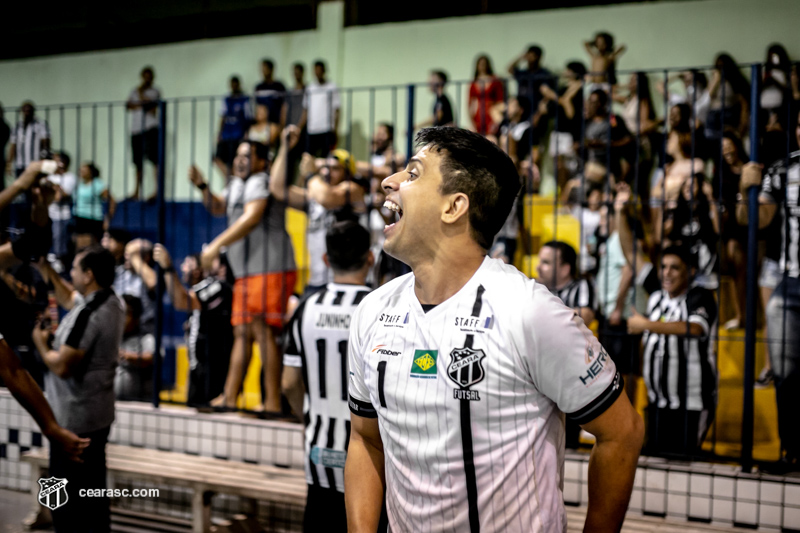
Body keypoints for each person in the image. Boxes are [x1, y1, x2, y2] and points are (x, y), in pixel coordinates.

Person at [345, 127, 643, 532]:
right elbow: (365, 439)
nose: (389, 181)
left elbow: (622, 433)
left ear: (454, 206)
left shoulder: (530, 312)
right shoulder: (373, 311)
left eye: (412, 174)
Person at [190, 140, 297, 414]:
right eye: (237, 155)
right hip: (247, 271)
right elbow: (217, 207)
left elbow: (250, 218)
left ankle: (272, 403)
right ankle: (228, 397)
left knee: (264, 332)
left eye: (247, 156)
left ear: (263, 162)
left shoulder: (261, 181)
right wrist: (203, 187)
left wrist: (215, 245)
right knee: (241, 333)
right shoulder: (237, 183)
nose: (239, 160)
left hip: (270, 267)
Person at [282, 221, 374, 532]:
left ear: (325, 260)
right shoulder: (381, 307)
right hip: (373, 458)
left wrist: (307, 417)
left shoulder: (305, 308)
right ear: (370, 258)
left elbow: (289, 383)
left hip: (319, 449)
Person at [31, 245, 124, 532]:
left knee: (67, 504)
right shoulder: (110, 302)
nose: (69, 275)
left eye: (74, 269)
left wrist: (40, 342)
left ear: (89, 275)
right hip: (97, 416)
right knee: (92, 495)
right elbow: (69, 297)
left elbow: (62, 366)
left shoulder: (90, 313)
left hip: (73, 423)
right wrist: (46, 269)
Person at [737, 125, 800, 471]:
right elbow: (752, 220)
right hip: (788, 278)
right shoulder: (783, 171)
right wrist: (746, 189)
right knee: (787, 376)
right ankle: (792, 453)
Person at [627, 245, 718, 457]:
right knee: (657, 460)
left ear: (691, 271)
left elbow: (694, 328)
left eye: (674, 268)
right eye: (663, 267)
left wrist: (646, 325)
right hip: (657, 400)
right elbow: (631, 253)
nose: (666, 273)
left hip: (691, 402)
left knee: (683, 460)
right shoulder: (656, 298)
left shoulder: (700, 296)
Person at [271, 127, 367, 294]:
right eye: (325, 167)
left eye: (335, 168)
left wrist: (309, 175)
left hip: (345, 282)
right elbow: (277, 189)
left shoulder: (353, 189)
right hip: (316, 282)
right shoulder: (314, 193)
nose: (327, 172)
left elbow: (326, 199)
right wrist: (285, 148)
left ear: (347, 173)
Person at [153, 244, 234, 407]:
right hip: (200, 365)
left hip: (212, 365)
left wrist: (168, 268)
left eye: (213, 257)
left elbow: (181, 301)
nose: (207, 258)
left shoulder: (219, 286)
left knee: (207, 414)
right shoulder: (208, 286)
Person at [536, 240, 597, 326]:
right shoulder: (535, 286)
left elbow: (585, 314)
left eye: (546, 262)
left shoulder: (581, 285)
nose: (538, 267)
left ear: (565, 270)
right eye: (540, 261)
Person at [126, 66, 161, 201]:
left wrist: (141, 98)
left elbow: (150, 106)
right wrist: (141, 101)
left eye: (149, 76)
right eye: (145, 76)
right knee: (138, 162)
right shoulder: (134, 90)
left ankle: (157, 191)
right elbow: (128, 105)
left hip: (150, 128)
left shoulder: (155, 91)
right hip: (136, 129)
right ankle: (136, 191)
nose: (147, 79)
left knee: (154, 160)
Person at [114, 294, 156, 401]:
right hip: (111, 404)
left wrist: (126, 356)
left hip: (138, 405)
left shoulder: (146, 338)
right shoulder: (113, 337)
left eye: (124, 313)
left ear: (136, 316)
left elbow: (152, 358)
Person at [215, 75, 253, 179]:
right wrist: (219, 133)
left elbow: (248, 118)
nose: (234, 86)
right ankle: (229, 178)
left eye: (235, 84)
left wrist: (246, 133)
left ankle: (234, 180)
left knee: (234, 160)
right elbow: (223, 116)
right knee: (217, 158)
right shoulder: (226, 99)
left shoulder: (244, 99)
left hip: (238, 135)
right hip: (226, 134)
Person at [72, 162, 115, 249]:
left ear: (91, 172)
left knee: (91, 245)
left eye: (84, 170)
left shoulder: (98, 184)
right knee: (79, 244)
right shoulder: (80, 184)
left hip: (93, 218)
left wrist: (108, 218)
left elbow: (112, 201)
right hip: (79, 217)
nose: (81, 172)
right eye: (80, 170)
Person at [304, 60, 340, 157]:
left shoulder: (332, 87)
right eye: (316, 70)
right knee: (309, 157)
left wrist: (336, 129)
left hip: (326, 128)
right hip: (312, 129)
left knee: (326, 158)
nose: (318, 72)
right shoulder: (310, 88)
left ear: (324, 71)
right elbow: (305, 109)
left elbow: (337, 109)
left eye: (320, 70)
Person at [506, 44, 555, 115]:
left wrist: (540, 111)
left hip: (536, 109)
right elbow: (509, 69)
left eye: (533, 56)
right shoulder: (523, 73)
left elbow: (547, 92)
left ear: (539, 57)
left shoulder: (544, 73)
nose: (530, 59)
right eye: (528, 56)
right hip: (522, 109)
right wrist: (520, 57)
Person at [47, 151, 77, 265]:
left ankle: (60, 265)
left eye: (55, 159)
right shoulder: (50, 176)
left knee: (60, 241)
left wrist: (53, 187)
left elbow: (60, 197)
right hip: (49, 213)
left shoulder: (69, 177)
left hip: (62, 216)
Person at [8, 101, 50, 178]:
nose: (27, 113)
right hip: (20, 164)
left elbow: (46, 143)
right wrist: (9, 163)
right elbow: (13, 146)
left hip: (34, 163)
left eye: (29, 111)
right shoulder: (17, 126)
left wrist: (43, 159)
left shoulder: (40, 125)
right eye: (25, 110)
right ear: (22, 111)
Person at [468, 55, 504, 136]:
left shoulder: (495, 80)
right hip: (478, 116)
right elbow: (470, 104)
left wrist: (496, 120)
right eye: (480, 64)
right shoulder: (473, 83)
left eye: (484, 64)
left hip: (491, 114)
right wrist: (471, 121)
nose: (482, 66)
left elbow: (500, 100)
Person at [254, 58, 287, 130]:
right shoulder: (259, 88)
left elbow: (284, 107)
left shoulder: (279, 86)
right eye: (262, 69)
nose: (263, 71)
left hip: (276, 124)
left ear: (271, 70)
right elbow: (257, 107)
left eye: (265, 69)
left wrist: (282, 124)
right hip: (262, 126)